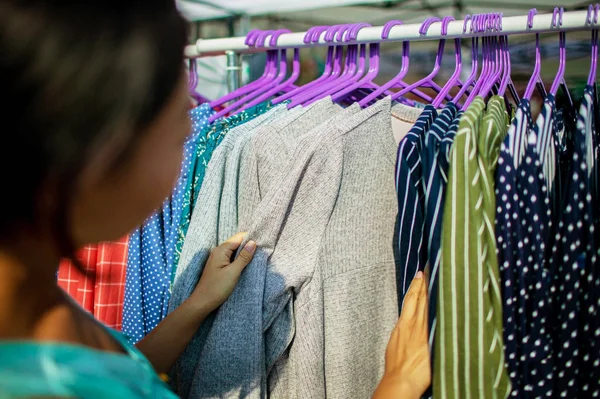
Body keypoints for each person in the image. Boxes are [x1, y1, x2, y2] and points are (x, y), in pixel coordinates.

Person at [0, 0, 430, 397]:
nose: (193, 123)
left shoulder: (34, 305)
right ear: (97, 150)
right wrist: (393, 388)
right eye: (175, 128)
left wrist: (198, 304)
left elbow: (119, 377)